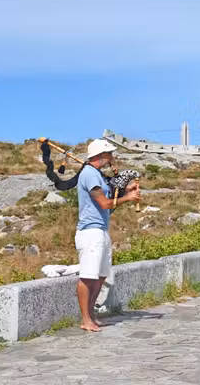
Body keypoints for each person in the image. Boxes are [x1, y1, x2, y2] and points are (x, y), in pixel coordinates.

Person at [75, 139, 140, 332]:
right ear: (100, 155)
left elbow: (107, 200)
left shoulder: (97, 175)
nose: (112, 157)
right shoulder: (89, 174)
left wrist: (126, 191)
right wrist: (128, 198)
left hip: (101, 229)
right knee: (88, 276)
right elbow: (104, 203)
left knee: (101, 275)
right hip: (90, 232)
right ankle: (85, 319)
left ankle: (91, 316)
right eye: (109, 154)